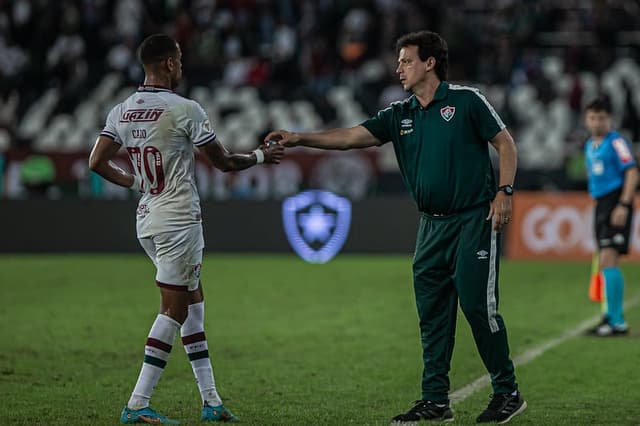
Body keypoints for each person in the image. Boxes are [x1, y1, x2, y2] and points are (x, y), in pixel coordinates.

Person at [265, 30, 525, 424]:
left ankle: (507, 391)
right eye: (399, 61)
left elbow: (505, 143)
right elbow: (352, 136)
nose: (398, 67)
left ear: (429, 63)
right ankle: (435, 400)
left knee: (476, 306)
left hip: (474, 219)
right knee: (432, 315)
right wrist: (300, 137)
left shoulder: (466, 101)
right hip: (430, 228)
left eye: (405, 60)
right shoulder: (399, 114)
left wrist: (504, 191)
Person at [89, 34, 284, 424]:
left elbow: (96, 162)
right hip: (177, 220)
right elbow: (225, 162)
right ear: (168, 64)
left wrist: (133, 183)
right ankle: (137, 404)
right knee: (174, 310)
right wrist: (262, 156)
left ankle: (211, 401)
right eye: (178, 59)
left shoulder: (123, 110)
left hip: (148, 216)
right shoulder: (184, 109)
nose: (181, 65)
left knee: (193, 304)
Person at [584, 97, 638, 337]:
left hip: (616, 202)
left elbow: (632, 172)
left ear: (610, 119)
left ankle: (616, 321)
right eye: (593, 118)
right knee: (606, 261)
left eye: (602, 118)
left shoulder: (617, 142)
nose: (597, 123)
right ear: (587, 119)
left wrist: (624, 205)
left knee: (609, 259)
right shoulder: (589, 145)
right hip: (602, 205)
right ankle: (611, 318)